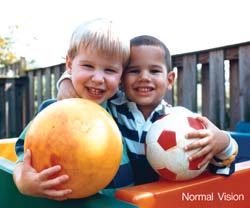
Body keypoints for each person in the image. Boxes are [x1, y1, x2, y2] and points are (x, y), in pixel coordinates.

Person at [57, 35, 238, 185]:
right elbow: (85, 84)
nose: (144, 77)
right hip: (115, 200)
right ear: (121, 78)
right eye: (134, 71)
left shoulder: (182, 123)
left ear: (170, 79)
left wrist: (223, 143)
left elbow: (221, 168)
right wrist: (66, 81)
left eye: (154, 71)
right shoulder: (108, 107)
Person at [13, 18, 134, 201]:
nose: (98, 78)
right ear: (69, 65)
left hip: (121, 203)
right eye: (88, 66)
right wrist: (22, 181)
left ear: (121, 75)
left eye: (109, 70)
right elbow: (24, 153)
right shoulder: (53, 112)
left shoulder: (120, 109)